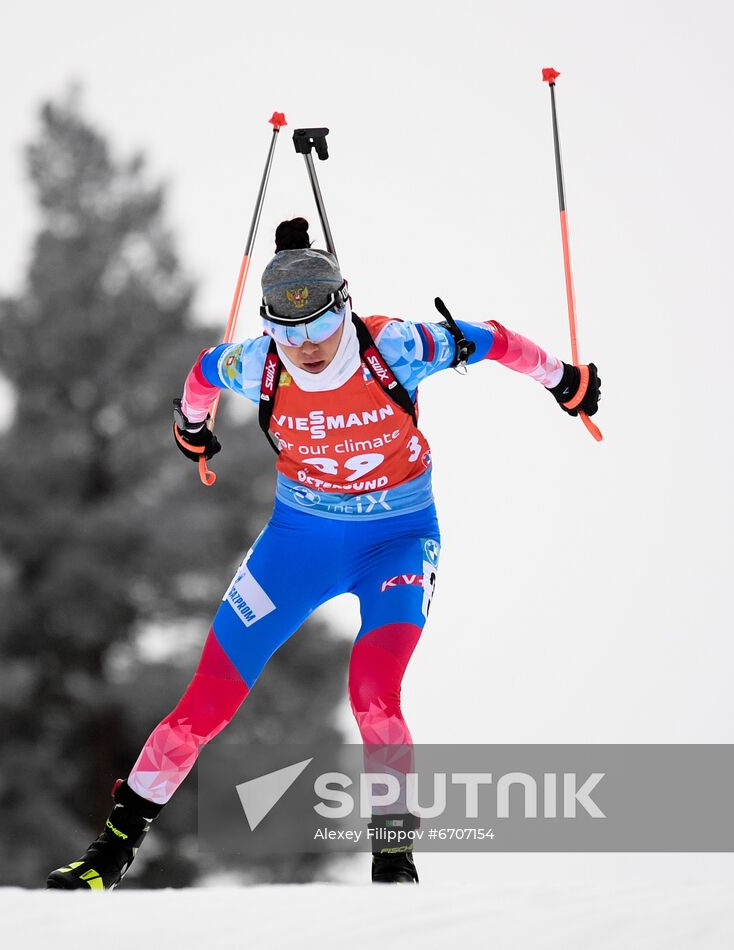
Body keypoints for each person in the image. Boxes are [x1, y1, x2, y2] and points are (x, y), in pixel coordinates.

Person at [46, 217, 601, 889]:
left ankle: (393, 861)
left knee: (373, 694)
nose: (306, 346)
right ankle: (108, 855)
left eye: (319, 326)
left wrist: (563, 379)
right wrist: (190, 429)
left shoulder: (396, 345)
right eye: (287, 329)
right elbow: (200, 373)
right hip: (297, 544)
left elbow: (495, 341)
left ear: (343, 305)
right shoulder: (258, 361)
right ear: (269, 324)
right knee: (203, 705)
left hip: (396, 540)